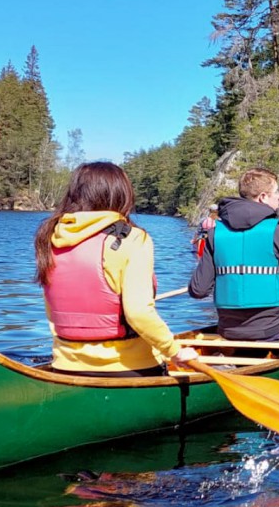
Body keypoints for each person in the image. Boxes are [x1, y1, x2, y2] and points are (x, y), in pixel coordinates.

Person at [34, 161, 199, 376]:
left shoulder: (51, 237)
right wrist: (174, 351)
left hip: (65, 366)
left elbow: (52, 311)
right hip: (129, 368)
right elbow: (138, 313)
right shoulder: (133, 238)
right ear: (122, 195)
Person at [188, 167, 279, 341]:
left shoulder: (215, 234)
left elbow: (197, 290)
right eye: (277, 191)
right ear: (263, 197)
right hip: (271, 330)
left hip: (228, 330)